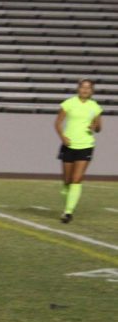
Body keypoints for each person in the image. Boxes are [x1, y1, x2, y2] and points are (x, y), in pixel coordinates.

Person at [54, 79, 103, 223]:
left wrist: (95, 127)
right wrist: (63, 137)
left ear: (92, 91)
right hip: (69, 145)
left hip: (86, 145)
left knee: (77, 179)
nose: (85, 90)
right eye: (83, 87)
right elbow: (57, 123)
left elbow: (99, 127)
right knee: (67, 181)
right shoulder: (69, 103)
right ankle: (68, 204)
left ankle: (68, 212)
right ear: (78, 89)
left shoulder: (95, 107)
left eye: (88, 88)